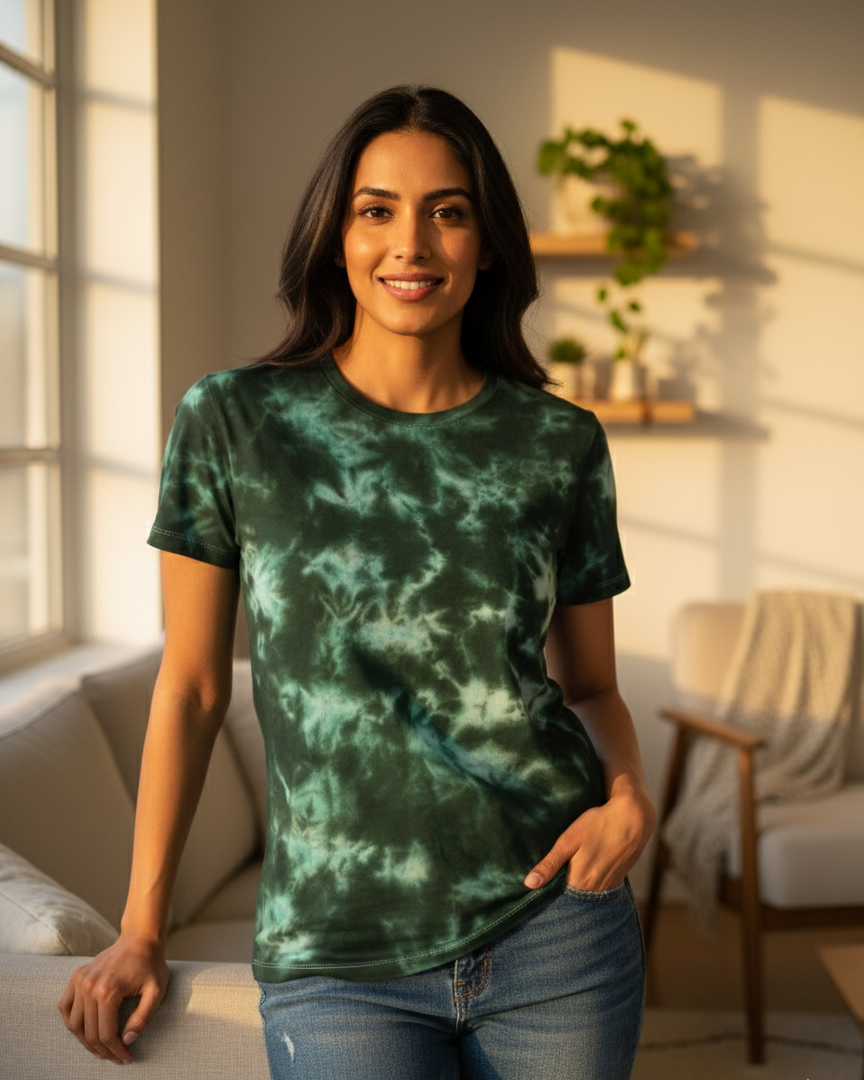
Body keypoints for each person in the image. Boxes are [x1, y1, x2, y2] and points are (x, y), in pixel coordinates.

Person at [60, 85, 655, 1079]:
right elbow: (193, 689)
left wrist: (631, 796)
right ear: (336, 238)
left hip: (557, 928)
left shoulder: (559, 442)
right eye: (377, 210)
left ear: (488, 244)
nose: (410, 243)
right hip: (337, 954)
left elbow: (591, 686)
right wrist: (141, 927)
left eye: (448, 211)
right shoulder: (234, 422)